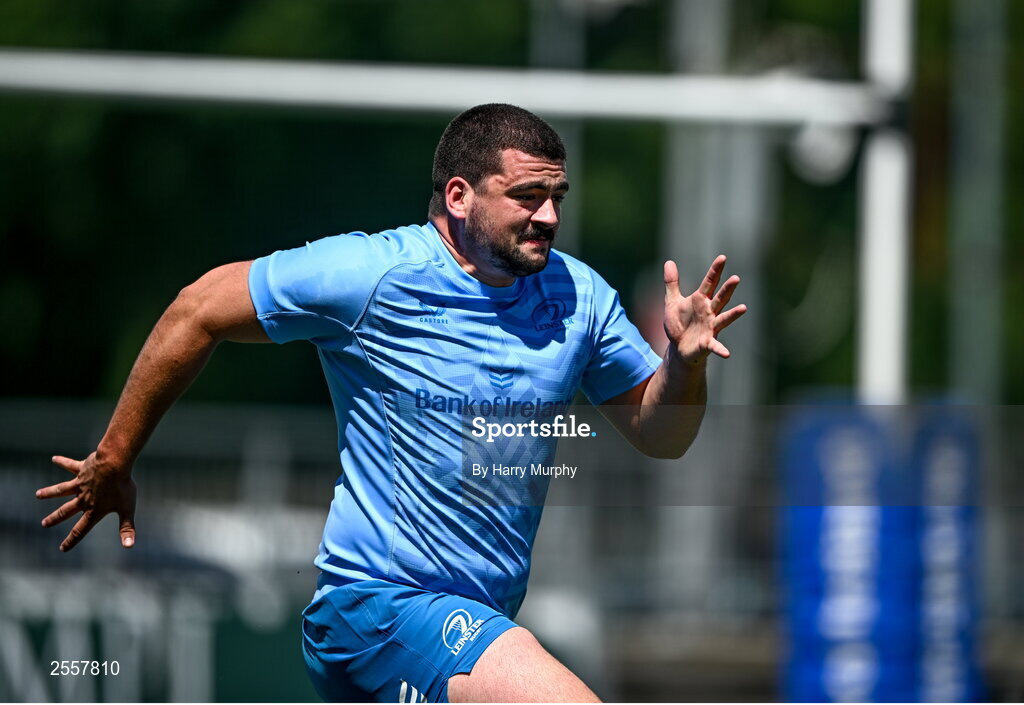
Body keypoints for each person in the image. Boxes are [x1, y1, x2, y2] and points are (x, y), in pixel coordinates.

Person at [36, 104, 745, 702]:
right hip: (376, 609)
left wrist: (682, 366)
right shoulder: (372, 274)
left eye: (558, 195)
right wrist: (117, 456)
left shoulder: (577, 296)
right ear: (460, 196)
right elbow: (197, 309)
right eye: (528, 196)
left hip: (473, 620)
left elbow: (662, 435)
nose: (549, 215)